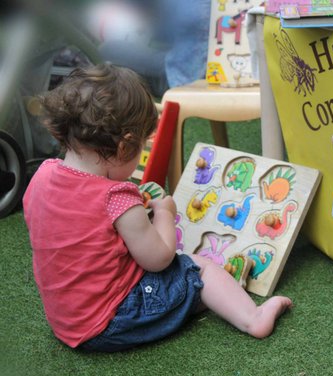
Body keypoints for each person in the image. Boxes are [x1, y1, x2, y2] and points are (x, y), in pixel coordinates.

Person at [22, 64, 292, 352]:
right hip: (112, 322)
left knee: (182, 286)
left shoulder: (43, 175)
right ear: (125, 147)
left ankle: (200, 300)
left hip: (67, 322)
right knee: (197, 269)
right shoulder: (117, 196)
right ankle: (254, 318)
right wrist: (164, 213)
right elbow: (159, 259)